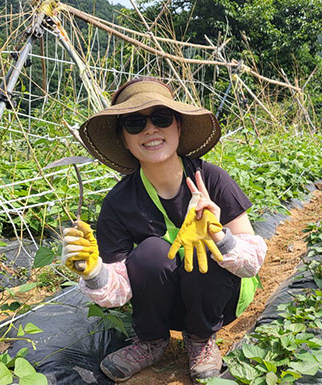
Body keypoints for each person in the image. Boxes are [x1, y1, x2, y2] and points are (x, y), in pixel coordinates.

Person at [61, 77, 267, 382]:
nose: (150, 130)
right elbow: (119, 289)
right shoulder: (119, 203)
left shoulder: (212, 180)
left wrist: (219, 237)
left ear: (178, 127)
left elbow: (252, 262)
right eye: (134, 123)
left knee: (203, 248)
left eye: (161, 118)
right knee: (151, 252)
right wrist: (92, 272)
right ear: (123, 139)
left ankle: (200, 340)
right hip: (163, 307)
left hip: (218, 302)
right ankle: (152, 341)